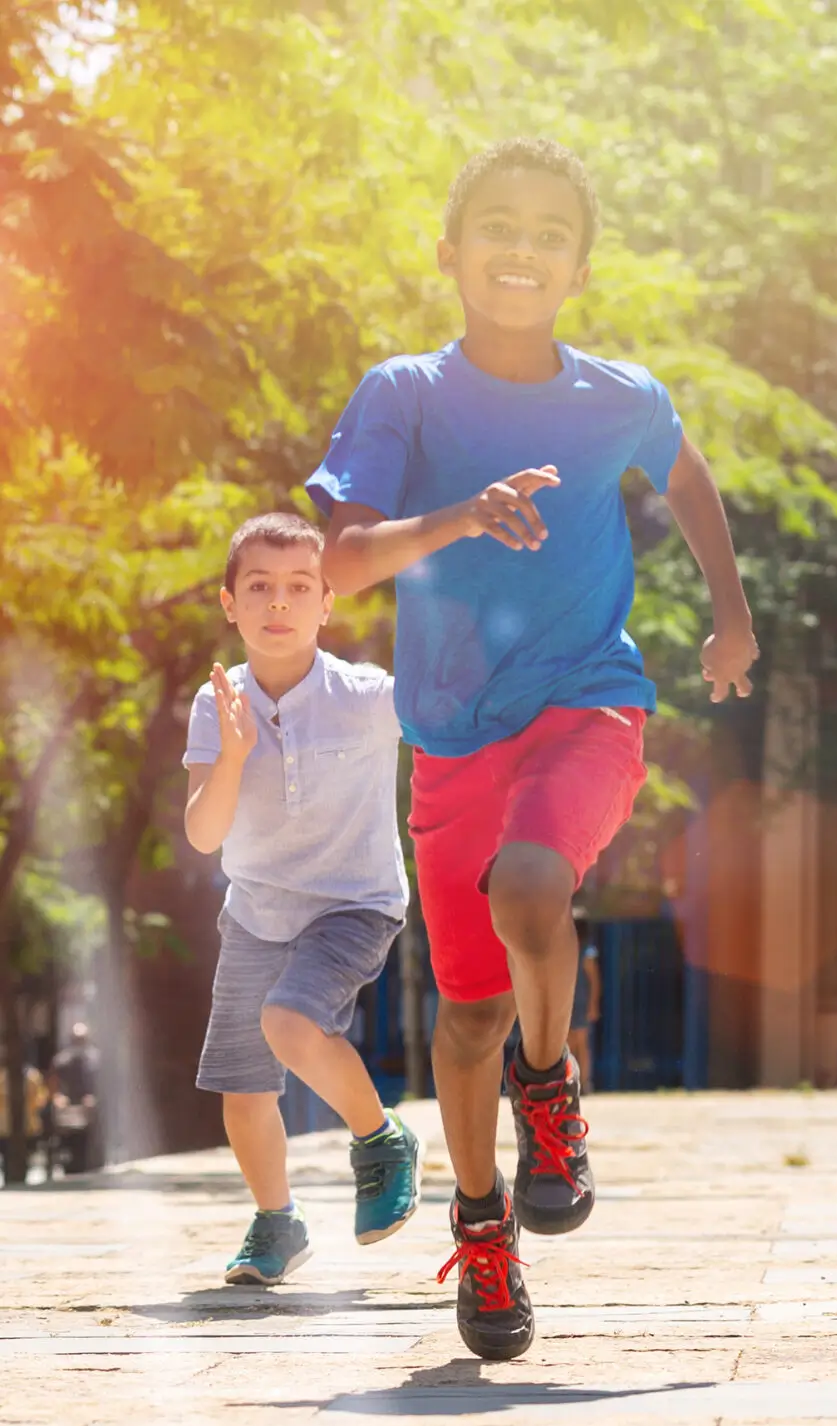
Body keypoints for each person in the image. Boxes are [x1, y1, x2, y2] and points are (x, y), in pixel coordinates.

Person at [308, 138, 759, 1359]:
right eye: (497, 226)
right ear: (449, 252)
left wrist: (731, 613)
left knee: (530, 883)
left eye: (550, 233)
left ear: (581, 269)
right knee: (467, 1018)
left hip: (589, 697)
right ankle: (482, 1220)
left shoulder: (619, 395)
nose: (522, 248)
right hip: (453, 737)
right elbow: (342, 561)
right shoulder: (403, 392)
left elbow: (686, 476)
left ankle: (549, 1086)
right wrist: (460, 515)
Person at [181, 512, 420, 1286]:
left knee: (289, 1022)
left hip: (354, 903)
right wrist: (234, 753)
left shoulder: (370, 696)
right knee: (244, 1088)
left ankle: (380, 1139)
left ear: (326, 604)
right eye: (258, 587)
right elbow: (204, 835)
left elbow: (457, 718)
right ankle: (276, 1222)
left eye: (297, 587)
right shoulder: (216, 702)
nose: (277, 602)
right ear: (230, 604)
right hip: (256, 910)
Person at [44, 1020, 99, 1176]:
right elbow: (53, 1082)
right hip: (68, 1108)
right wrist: (57, 1096)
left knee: (88, 1142)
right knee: (66, 1142)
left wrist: (94, 1097)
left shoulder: (95, 1059)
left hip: (89, 1107)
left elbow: (103, 1083)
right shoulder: (61, 1060)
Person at [564, 916, 603, 1081]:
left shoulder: (587, 952)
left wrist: (593, 1005)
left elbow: (594, 981)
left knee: (581, 1042)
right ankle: (571, 1080)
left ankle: (584, 1082)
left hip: (580, 1002)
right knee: (569, 1043)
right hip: (568, 1003)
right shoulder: (566, 949)